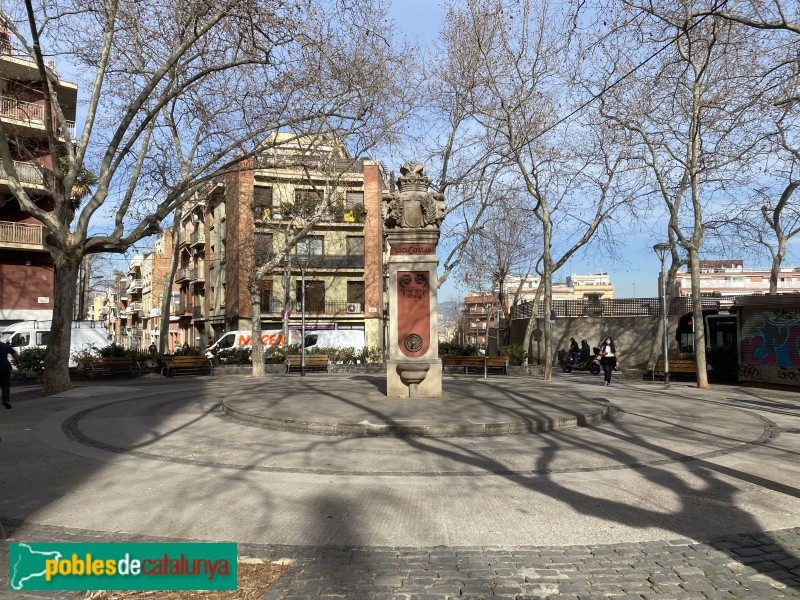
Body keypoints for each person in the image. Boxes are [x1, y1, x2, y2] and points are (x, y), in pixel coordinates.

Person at [0, 339, 20, 410]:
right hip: (4, 367)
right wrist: (17, 362)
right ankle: (6, 400)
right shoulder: (5, 346)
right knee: (5, 385)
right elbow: (15, 354)